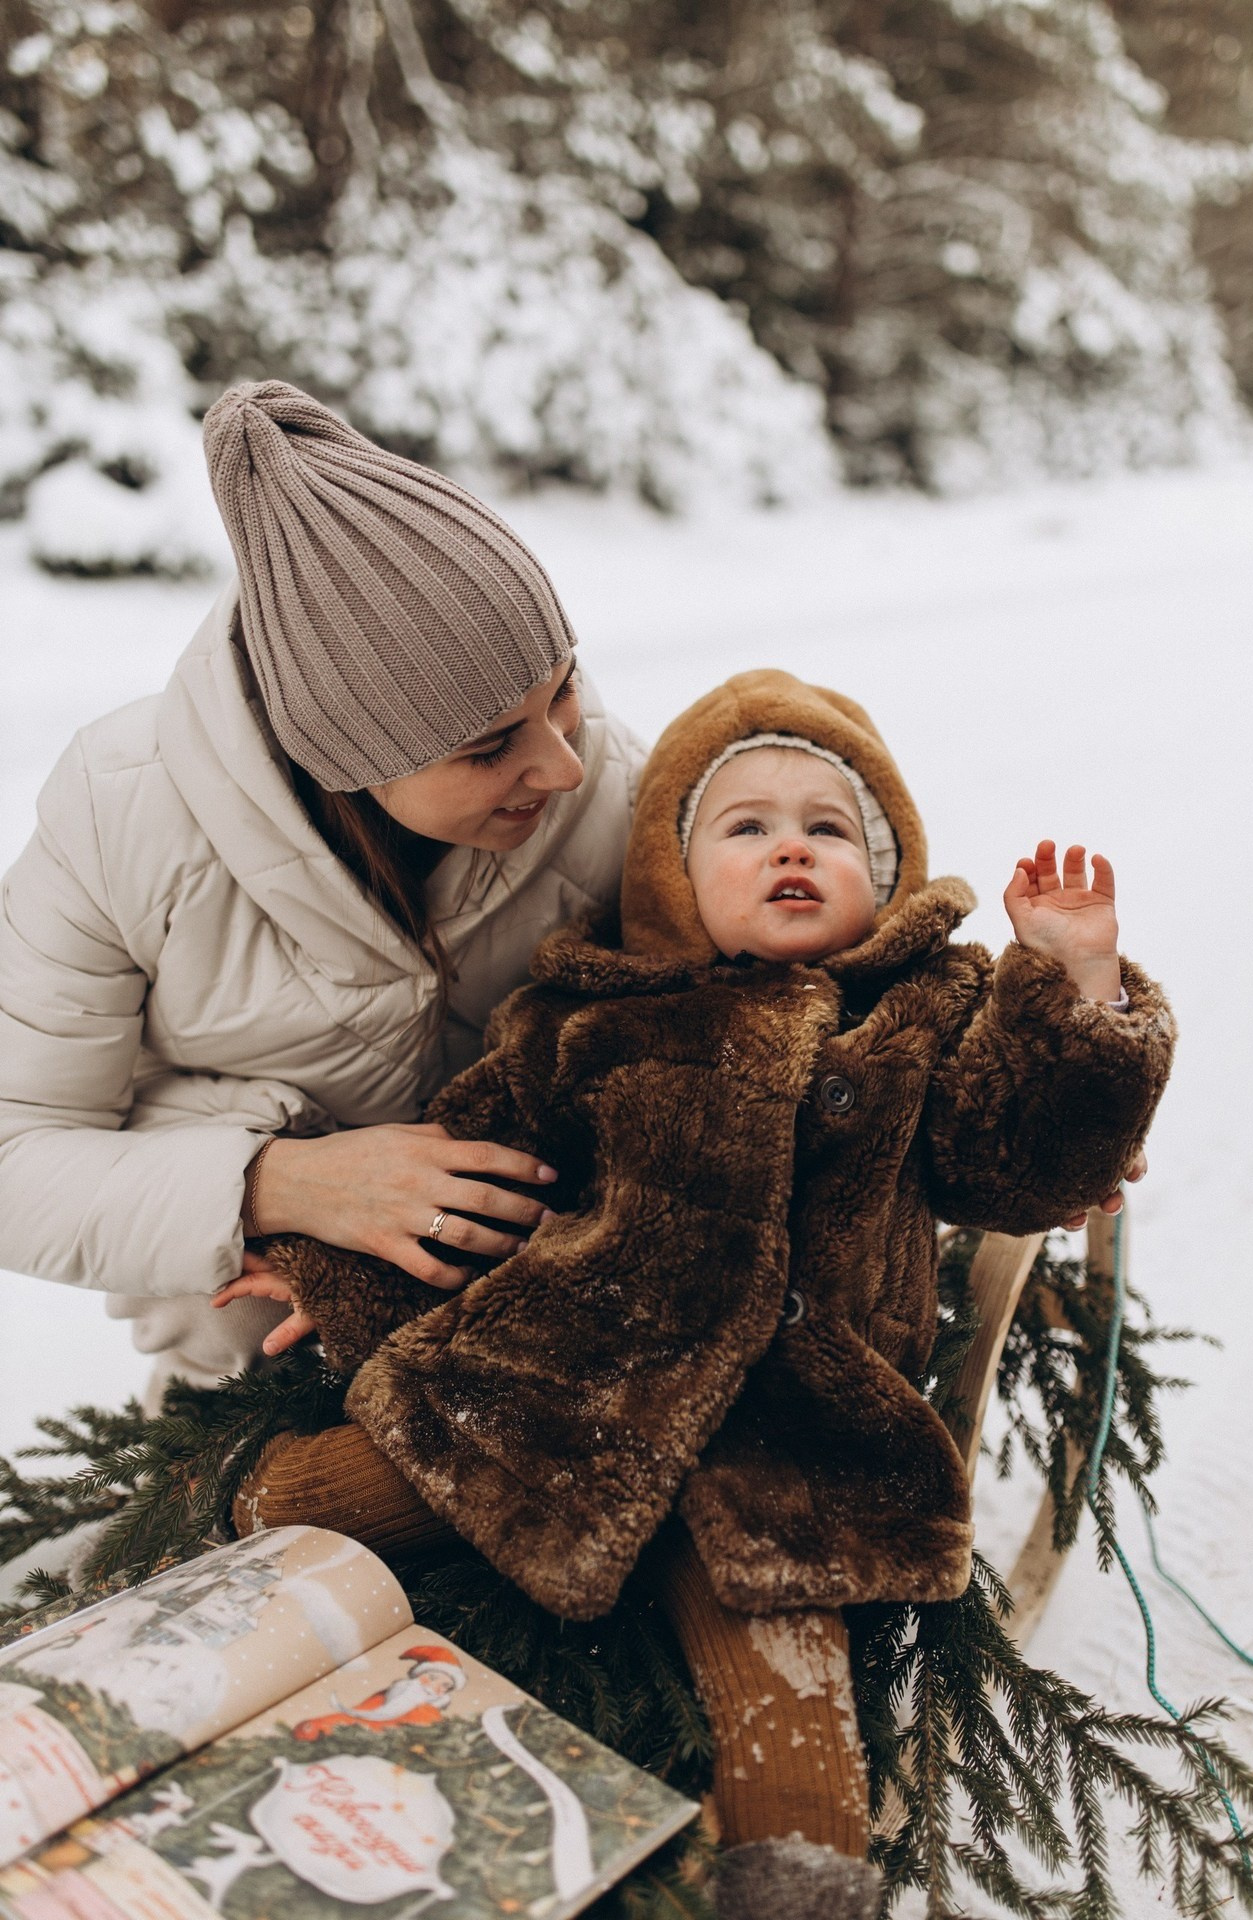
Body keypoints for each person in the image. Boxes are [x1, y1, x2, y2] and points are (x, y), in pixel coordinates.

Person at [222, 669, 1174, 1919]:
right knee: (319, 1498)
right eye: (747, 825)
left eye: (829, 828)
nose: (792, 846)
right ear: (673, 875)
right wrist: (331, 1268)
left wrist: (1071, 994)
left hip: (791, 1445)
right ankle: (223, 1539)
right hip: (559, 1391)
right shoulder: (593, 1023)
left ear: (882, 880)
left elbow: (1018, 1162)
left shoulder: (919, 1027)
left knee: (791, 1699)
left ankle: (800, 1883)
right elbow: (469, 1165)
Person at [0, 381, 645, 1405]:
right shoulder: (118, 819)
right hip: (253, 1326)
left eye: (562, 687)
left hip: (534, 1296)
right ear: (342, 755)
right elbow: (13, 1152)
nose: (563, 767)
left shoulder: (600, 782)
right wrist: (277, 1183)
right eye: (489, 748)